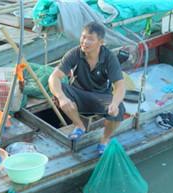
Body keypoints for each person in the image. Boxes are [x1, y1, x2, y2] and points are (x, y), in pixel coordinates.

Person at [49, 21, 125, 155]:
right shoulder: (74, 53)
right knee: (58, 90)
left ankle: (105, 139)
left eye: (90, 39)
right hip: (78, 94)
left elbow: (120, 85)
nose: (85, 42)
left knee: (119, 110)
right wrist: (62, 98)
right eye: (83, 37)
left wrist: (115, 103)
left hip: (101, 97)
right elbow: (54, 77)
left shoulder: (109, 57)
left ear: (101, 42)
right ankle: (79, 126)